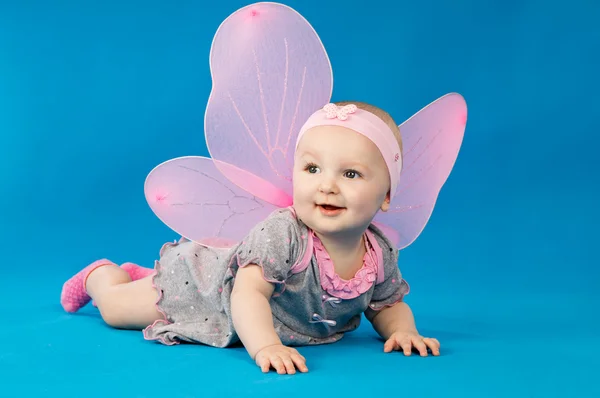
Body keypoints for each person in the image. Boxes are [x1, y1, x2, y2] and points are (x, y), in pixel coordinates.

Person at [60, 101, 442, 375]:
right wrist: (266, 346)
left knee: (131, 302)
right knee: (115, 311)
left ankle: (144, 275)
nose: (327, 185)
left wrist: (404, 330)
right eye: (312, 168)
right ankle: (103, 275)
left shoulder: (378, 252)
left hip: (241, 303)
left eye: (351, 174)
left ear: (388, 195)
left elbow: (384, 304)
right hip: (207, 291)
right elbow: (247, 294)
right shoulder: (285, 234)